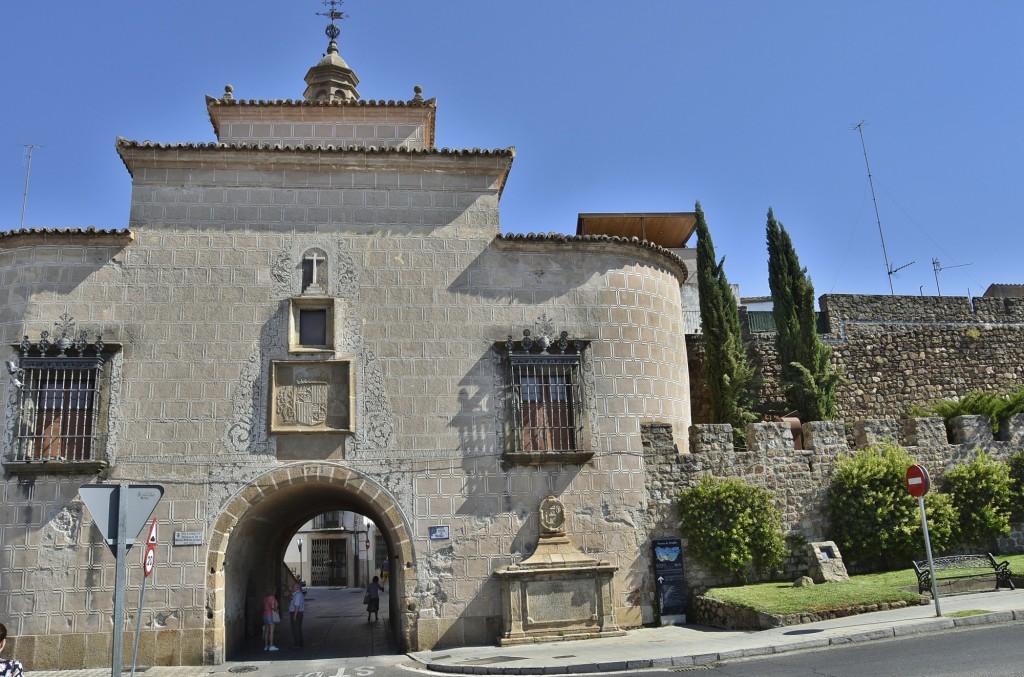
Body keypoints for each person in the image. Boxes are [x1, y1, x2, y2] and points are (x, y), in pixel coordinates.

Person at [288, 580, 305, 649]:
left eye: (293, 587)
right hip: (299, 613)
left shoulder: (297, 595)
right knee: (298, 629)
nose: (292, 588)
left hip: (296, 613)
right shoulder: (298, 594)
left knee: (296, 629)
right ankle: (300, 643)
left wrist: (295, 616)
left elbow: (297, 606)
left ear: (297, 587)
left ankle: (297, 644)